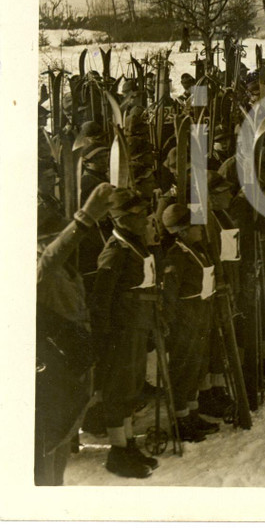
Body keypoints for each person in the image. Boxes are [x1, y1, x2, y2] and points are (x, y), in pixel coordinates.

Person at [35, 181, 116, 485]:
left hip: (74, 368)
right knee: (44, 459)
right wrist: (83, 219)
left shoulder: (66, 270)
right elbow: (49, 260)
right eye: (53, 238)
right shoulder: (39, 269)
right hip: (51, 374)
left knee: (61, 448)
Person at [91, 188, 161, 478]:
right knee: (118, 389)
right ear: (120, 219)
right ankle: (117, 452)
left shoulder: (136, 245)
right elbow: (101, 300)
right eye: (139, 215)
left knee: (132, 386)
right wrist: (104, 338)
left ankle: (129, 442)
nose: (146, 219)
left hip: (137, 325)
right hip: (121, 330)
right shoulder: (115, 251)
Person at [161, 204, 221, 443]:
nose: (201, 230)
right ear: (183, 230)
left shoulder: (196, 250)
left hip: (200, 316)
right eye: (195, 226)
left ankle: (193, 412)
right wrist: (171, 325)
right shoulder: (176, 256)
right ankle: (180, 418)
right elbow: (170, 296)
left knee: (197, 366)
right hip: (185, 321)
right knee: (183, 369)